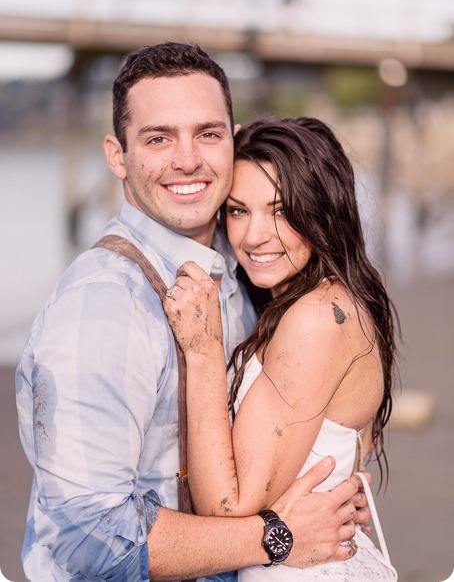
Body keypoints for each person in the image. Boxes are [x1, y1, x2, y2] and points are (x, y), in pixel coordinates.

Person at [16, 44, 367, 582]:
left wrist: (335, 479)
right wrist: (278, 536)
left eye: (207, 133)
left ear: (232, 139)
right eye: (158, 138)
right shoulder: (104, 307)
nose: (187, 160)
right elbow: (87, 539)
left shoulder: (244, 266)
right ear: (117, 156)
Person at [163, 116, 399, 580]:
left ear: (322, 210)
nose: (254, 236)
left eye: (280, 210)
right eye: (237, 210)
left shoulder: (316, 318)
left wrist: (204, 351)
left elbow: (227, 509)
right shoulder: (316, 304)